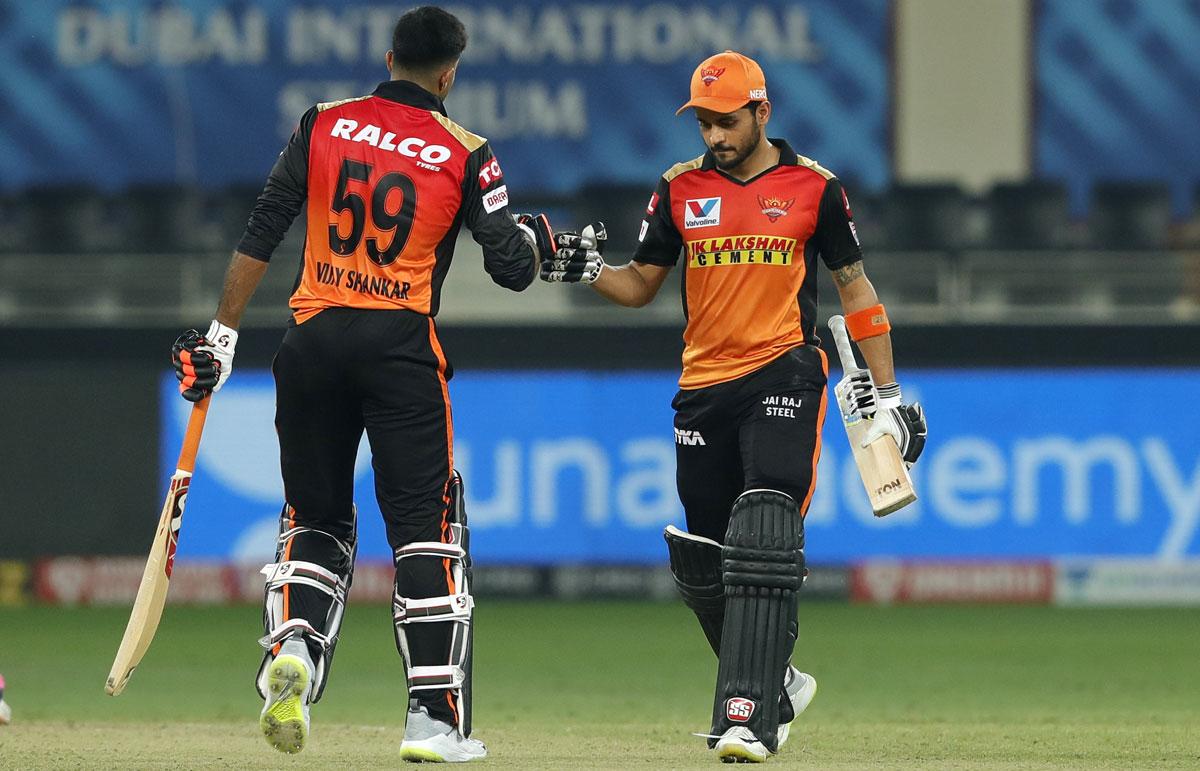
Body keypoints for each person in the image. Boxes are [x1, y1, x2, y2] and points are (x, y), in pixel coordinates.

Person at [170, 6, 554, 763]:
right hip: (399, 346)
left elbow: (265, 223)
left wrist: (220, 335)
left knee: (315, 519)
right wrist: (536, 241)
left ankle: (299, 654)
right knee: (425, 529)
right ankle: (433, 722)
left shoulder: (324, 121)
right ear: (450, 74)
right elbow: (510, 268)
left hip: (309, 341)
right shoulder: (467, 149)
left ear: (387, 58)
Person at [541, 50, 927, 762]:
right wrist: (586, 267)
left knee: (764, 527)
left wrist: (891, 396)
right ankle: (777, 676)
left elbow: (857, 289)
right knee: (706, 561)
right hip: (702, 388)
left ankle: (746, 717)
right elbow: (640, 286)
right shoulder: (678, 189)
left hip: (784, 368)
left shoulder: (814, 187)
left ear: (761, 112)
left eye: (727, 121)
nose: (715, 136)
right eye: (705, 123)